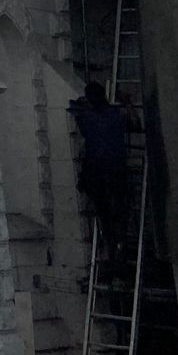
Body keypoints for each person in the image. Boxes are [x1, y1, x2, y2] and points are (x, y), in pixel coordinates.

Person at [70, 80, 130, 259]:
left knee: (104, 211)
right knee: (118, 209)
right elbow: (133, 124)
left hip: (97, 172)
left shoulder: (88, 117)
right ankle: (120, 243)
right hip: (116, 169)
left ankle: (111, 245)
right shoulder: (114, 115)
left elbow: (78, 115)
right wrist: (127, 103)